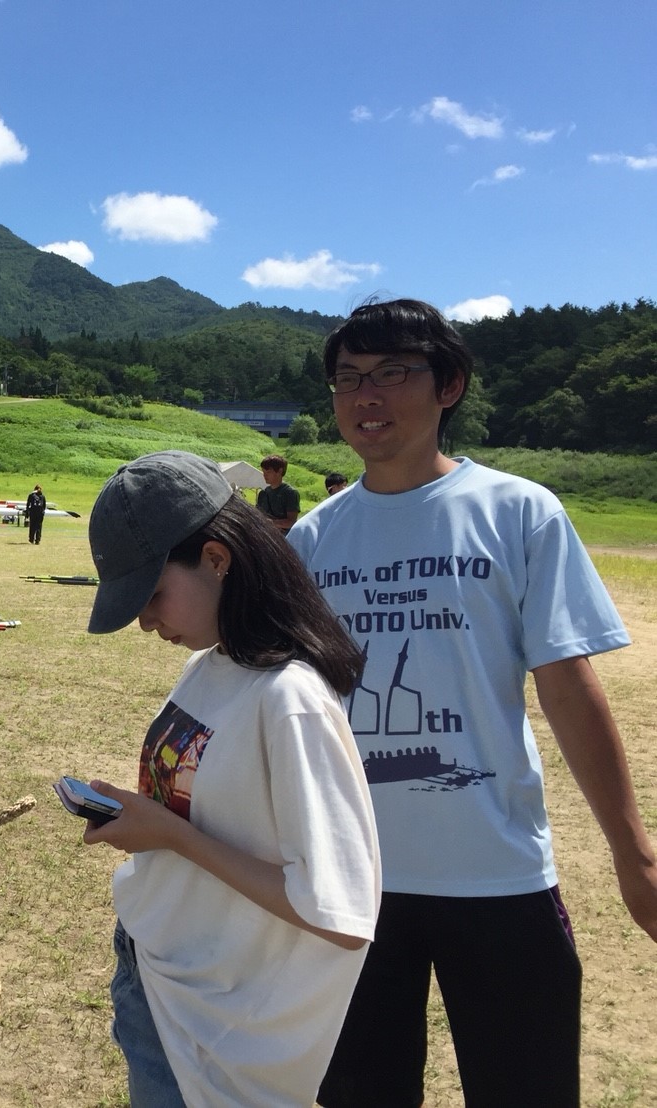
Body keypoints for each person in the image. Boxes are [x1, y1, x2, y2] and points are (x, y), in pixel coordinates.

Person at [287, 298, 657, 1107]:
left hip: (498, 873)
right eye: (348, 378)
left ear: (448, 385)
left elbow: (567, 685)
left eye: (393, 373)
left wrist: (634, 854)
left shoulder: (519, 512)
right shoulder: (312, 540)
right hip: (352, 883)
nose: (366, 396)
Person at [79, 450, 380, 1108]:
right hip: (160, 978)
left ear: (216, 558)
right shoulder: (212, 665)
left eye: (152, 594)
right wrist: (146, 820)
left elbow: (339, 912)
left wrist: (171, 836)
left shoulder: (290, 700)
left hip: (213, 1027)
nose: (145, 621)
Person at [254, 454, 299, 532]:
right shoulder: (263, 493)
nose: (265, 475)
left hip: (283, 537)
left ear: (280, 471)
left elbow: (291, 522)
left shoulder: (290, 493)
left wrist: (270, 523)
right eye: (263, 472)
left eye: (268, 472)